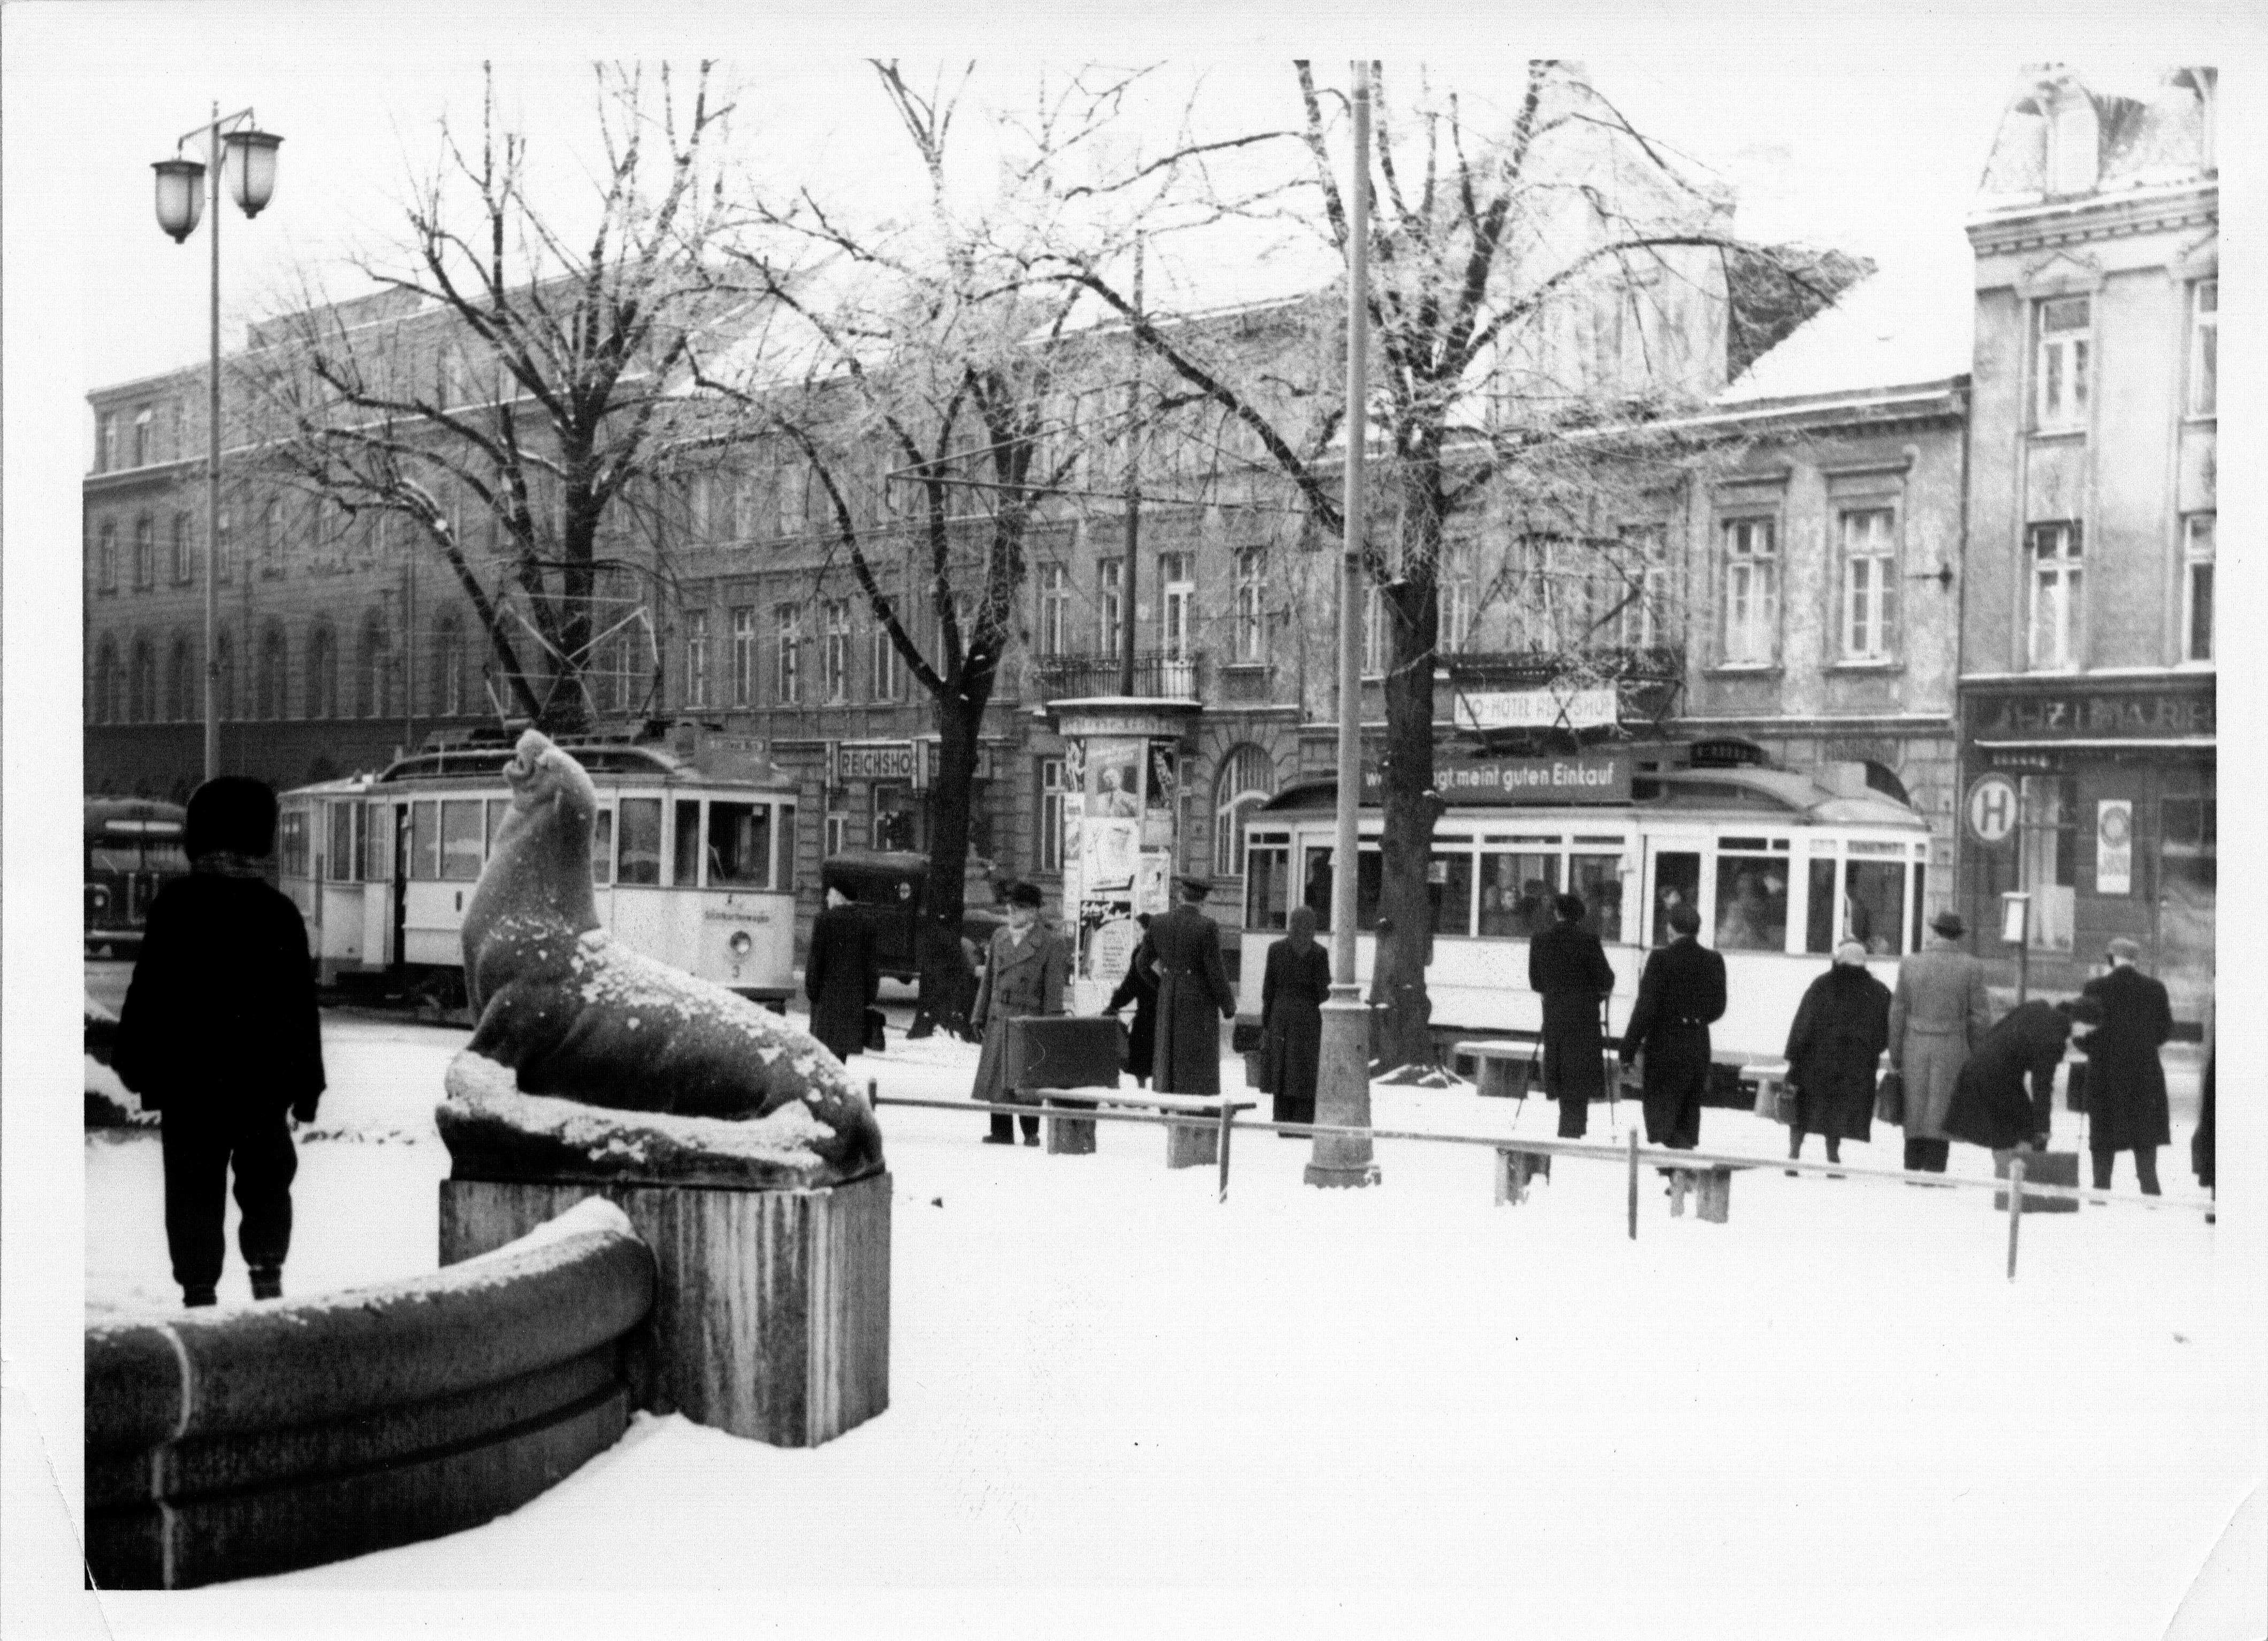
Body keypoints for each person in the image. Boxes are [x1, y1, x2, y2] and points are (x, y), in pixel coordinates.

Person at [111, 776, 325, 1308]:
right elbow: (300, 1007)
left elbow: (148, 994)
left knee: (191, 1193)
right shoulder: (278, 913)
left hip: (191, 1087)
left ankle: (200, 1294)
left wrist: (136, 1065)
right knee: (267, 1186)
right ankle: (268, 1280)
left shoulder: (175, 907)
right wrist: (307, 1084)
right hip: (262, 1087)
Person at [1888, 910, 1990, 1177]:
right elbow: (1979, 1018)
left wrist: (1896, 1052)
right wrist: (1979, 1056)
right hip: (1952, 1045)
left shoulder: (1910, 963)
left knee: (1915, 1106)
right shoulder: (1972, 967)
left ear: (1934, 932)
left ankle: (1911, 1166)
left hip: (1915, 1044)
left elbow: (1897, 1012)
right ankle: (1935, 1169)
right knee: (1941, 1108)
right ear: (1959, 936)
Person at [1617, 900, 1725, 1154]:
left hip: (1665, 1046)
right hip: (1698, 1044)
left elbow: (1645, 1008)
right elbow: (1719, 1006)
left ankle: (1681, 1170)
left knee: (1661, 1115)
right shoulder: (1714, 960)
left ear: (1671, 929)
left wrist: (1628, 1049)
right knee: (1688, 1111)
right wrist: (1696, 1019)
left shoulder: (1661, 959)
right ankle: (1679, 1174)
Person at [969, 882, 1069, 1144]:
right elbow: (988, 981)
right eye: (1011, 905)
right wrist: (978, 1015)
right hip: (998, 1015)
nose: (1012, 911)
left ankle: (1031, 1132)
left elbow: (1053, 991)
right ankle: (1001, 1131)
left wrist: (1050, 1027)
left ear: (1034, 911)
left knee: (1027, 1078)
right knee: (996, 1077)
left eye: (1020, 907)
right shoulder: (999, 936)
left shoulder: (1049, 943)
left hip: (1029, 1019)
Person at [1781, 938, 1892, 1172]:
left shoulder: (1822, 985)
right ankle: (1833, 1156)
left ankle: (1794, 1153)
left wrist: (1794, 1056)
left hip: (1815, 1061)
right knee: (1838, 1109)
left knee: (1804, 1107)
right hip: (1855, 1066)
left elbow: (1803, 1022)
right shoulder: (1878, 991)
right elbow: (1884, 1033)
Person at [1943, 995, 2100, 1154]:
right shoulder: (2054, 1036)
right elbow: (2042, 1086)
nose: (2085, 1035)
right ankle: (2020, 1171)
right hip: (1996, 1080)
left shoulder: (2039, 1008)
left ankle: (2012, 1166)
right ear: (2080, 1021)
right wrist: (2043, 1129)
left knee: (2015, 1130)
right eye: (2088, 1030)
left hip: (1977, 1067)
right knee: (2025, 1132)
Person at [2079, 936, 2174, 1194]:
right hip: (2145, 1073)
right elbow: (2164, 1032)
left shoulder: (2095, 988)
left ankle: (2101, 1188)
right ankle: (2149, 1188)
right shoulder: (2156, 989)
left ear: (2111, 959)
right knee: (2145, 1132)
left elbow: (2082, 1035)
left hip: (2105, 1073)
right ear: (2135, 960)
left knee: (2103, 1131)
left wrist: (2095, 1050)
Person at [1137, 875, 1238, 1096]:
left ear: (1181, 895)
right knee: (1194, 1059)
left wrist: (1162, 986)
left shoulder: (1158, 923)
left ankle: (1168, 1102)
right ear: (1203, 900)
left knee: (1168, 1053)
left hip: (1168, 998)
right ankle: (1192, 1107)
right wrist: (1228, 1006)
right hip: (1198, 1001)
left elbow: (1141, 964)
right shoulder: (1207, 927)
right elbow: (1216, 972)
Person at [1529, 892, 1615, 1139]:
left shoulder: (1540, 940)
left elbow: (1536, 983)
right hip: (1584, 1016)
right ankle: (1575, 1128)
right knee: (1581, 1071)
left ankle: (1569, 1127)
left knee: (1561, 1070)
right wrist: (1595, 996)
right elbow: (1606, 979)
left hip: (1555, 1015)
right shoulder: (1589, 941)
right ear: (1580, 916)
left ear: (1557, 912)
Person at [1261, 904, 1331, 1131]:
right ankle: (1303, 1121)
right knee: (1304, 1069)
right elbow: (1324, 991)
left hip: (1280, 1014)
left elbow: (1267, 990)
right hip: (1309, 1017)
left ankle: (1282, 1120)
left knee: (1282, 1067)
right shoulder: (1319, 953)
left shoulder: (1276, 950)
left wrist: (1266, 1022)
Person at [804, 882, 878, 1064]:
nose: (827, 899)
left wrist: (812, 992)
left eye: (830, 894)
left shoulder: (823, 921)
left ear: (838, 895)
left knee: (824, 1058)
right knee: (840, 1058)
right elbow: (872, 969)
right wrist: (866, 998)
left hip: (826, 1005)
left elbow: (815, 963)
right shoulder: (867, 924)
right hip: (853, 1005)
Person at [1105, 914, 1160, 1087]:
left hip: (1146, 1015)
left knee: (1141, 1058)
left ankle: (1142, 1091)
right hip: (1167, 1013)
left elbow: (1131, 984)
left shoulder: (1142, 952)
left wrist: (1114, 1005)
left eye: (1139, 930)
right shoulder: (1168, 951)